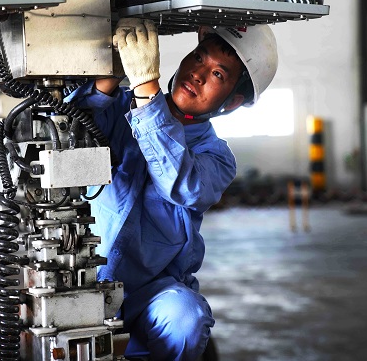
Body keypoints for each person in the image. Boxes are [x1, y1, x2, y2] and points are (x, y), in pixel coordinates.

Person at [65, 18, 278, 360]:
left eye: (218, 74)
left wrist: (146, 88)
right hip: (81, 276)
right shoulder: (120, 108)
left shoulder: (217, 157)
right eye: (199, 57)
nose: (198, 74)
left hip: (148, 295)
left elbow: (182, 184)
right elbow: (68, 125)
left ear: (233, 102)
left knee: (186, 318)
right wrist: (111, 69)